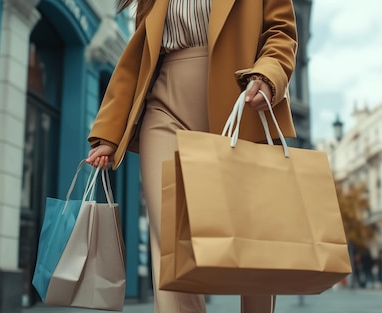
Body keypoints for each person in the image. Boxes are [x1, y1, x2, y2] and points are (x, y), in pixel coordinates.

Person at [85, 1, 298, 312]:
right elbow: (139, 55)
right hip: (164, 109)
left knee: (255, 237)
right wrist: (110, 132)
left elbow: (281, 31)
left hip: (242, 105)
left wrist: (268, 74)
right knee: (170, 242)